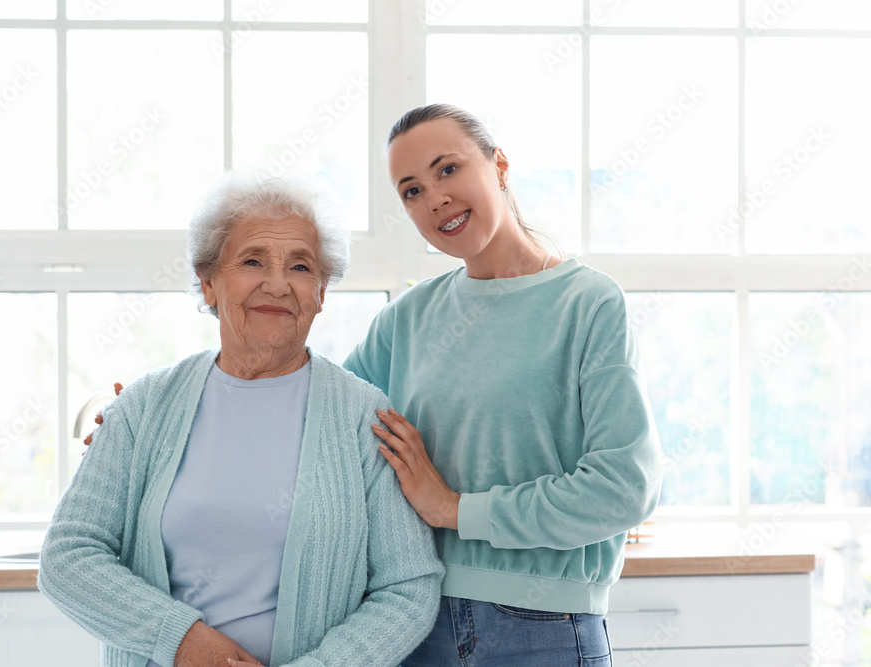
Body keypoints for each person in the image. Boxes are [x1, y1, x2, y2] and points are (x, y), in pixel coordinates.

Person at [38, 174, 444, 667]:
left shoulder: (364, 416)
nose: (278, 283)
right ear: (208, 283)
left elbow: (408, 586)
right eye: (253, 261)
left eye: (300, 266)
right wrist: (183, 641)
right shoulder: (143, 407)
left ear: (320, 293)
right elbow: (68, 556)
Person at [339, 104, 663, 666]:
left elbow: (624, 486)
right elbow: (322, 424)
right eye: (411, 191)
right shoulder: (408, 318)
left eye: (447, 169)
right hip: (413, 622)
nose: (434, 197)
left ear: (500, 165)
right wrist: (186, 409)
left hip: (545, 629)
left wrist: (455, 509)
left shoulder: (587, 304)